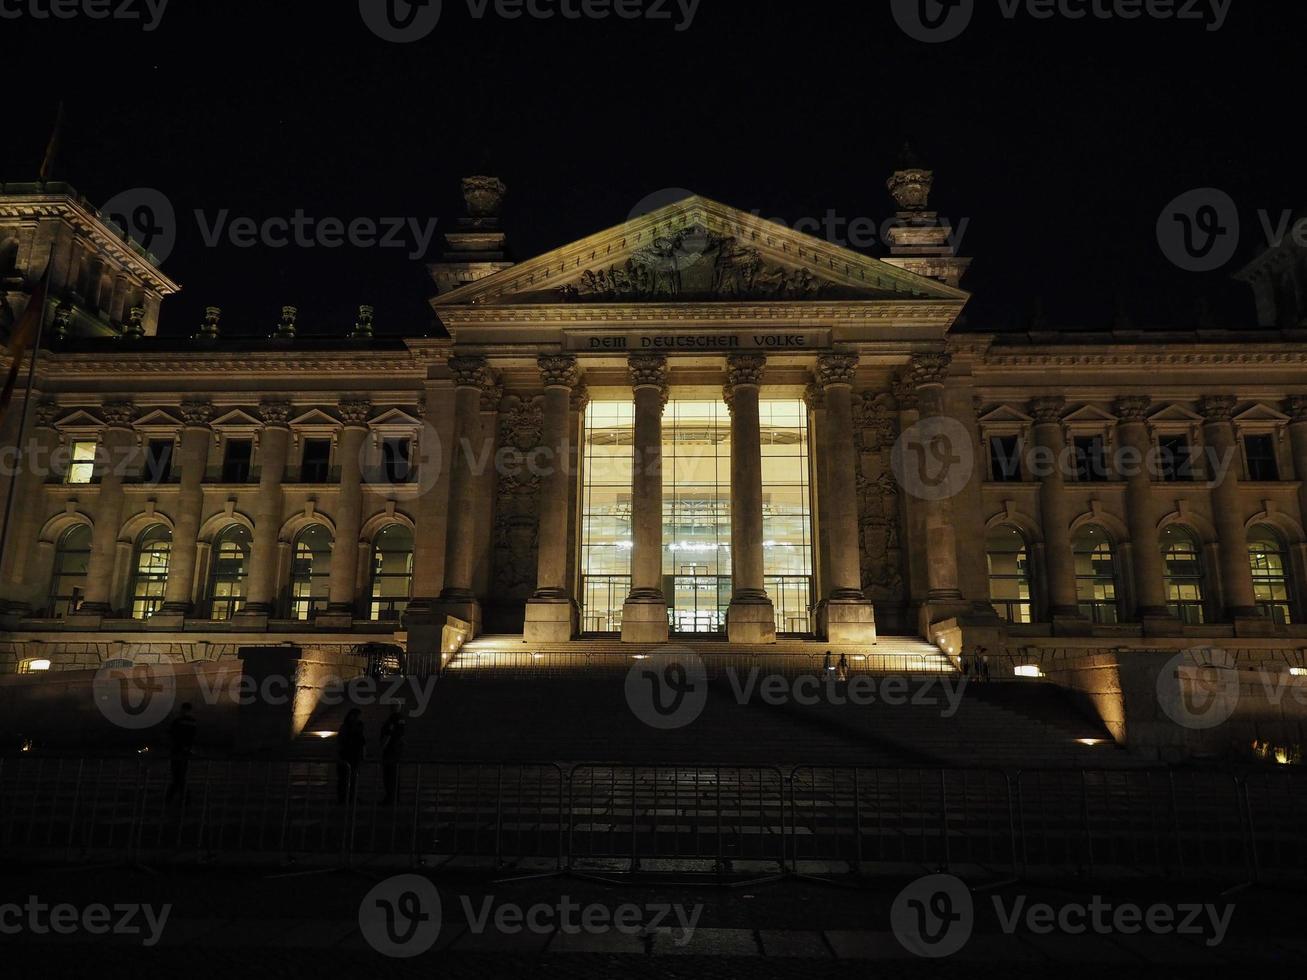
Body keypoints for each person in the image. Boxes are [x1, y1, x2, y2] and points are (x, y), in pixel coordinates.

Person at [166, 703, 197, 804]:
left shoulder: (177, 721)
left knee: (177, 775)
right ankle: (183, 797)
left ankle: (174, 797)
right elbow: (193, 737)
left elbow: (172, 734)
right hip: (186, 752)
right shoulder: (193, 722)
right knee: (181, 775)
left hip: (176, 751)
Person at [336, 708, 366, 805]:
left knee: (350, 778)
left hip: (351, 755)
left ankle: (348, 797)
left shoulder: (351, 727)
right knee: (347, 778)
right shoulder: (350, 727)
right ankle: (347, 797)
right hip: (349, 755)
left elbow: (362, 741)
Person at [379, 703, 407, 805]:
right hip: (395, 750)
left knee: (389, 775)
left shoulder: (393, 719)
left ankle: (390, 798)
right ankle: (394, 797)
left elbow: (389, 734)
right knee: (393, 775)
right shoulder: (401, 720)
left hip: (390, 750)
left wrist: (383, 746)